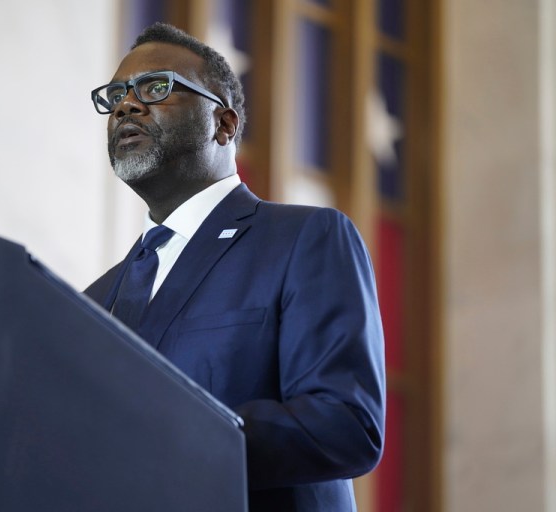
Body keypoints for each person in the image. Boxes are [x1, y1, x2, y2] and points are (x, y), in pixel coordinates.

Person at [85, 22, 385, 512]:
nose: (126, 105)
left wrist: (166, 437)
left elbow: (346, 424)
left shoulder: (303, 240)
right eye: (116, 95)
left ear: (223, 124)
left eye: (155, 87)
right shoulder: (92, 302)